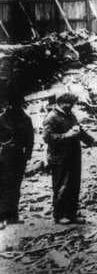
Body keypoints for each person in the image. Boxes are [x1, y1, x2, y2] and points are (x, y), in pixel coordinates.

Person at [43, 92, 96, 225]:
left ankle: (71, 214)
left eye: (72, 104)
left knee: (74, 185)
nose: (71, 106)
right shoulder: (51, 117)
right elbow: (47, 138)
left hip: (73, 156)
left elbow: (79, 131)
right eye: (69, 103)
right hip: (59, 158)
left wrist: (93, 142)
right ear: (61, 103)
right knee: (61, 186)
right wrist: (66, 135)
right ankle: (59, 215)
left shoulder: (70, 115)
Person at [0, 93, 34, 227]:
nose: (16, 106)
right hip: (4, 156)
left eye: (19, 104)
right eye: (14, 104)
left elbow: (30, 139)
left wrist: (28, 156)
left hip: (19, 156)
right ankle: (2, 217)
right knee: (3, 186)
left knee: (15, 186)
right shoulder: (2, 119)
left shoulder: (26, 119)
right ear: (9, 104)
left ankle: (13, 216)